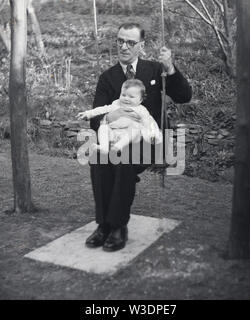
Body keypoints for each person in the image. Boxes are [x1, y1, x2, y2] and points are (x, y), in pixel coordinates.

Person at [85, 22, 192, 252]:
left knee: (123, 161)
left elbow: (184, 96)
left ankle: (117, 226)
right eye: (120, 41)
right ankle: (103, 224)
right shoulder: (107, 77)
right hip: (116, 138)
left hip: (149, 140)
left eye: (130, 42)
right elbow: (95, 116)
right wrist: (112, 120)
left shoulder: (155, 70)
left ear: (141, 45)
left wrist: (170, 68)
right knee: (98, 159)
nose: (124, 46)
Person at [76, 79, 162, 154]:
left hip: (130, 136)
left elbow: (149, 122)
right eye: (123, 95)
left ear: (140, 100)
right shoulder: (116, 104)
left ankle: (119, 146)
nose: (126, 99)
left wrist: (152, 135)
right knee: (103, 127)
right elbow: (103, 109)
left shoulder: (141, 110)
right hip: (114, 132)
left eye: (131, 97)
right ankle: (104, 147)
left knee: (136, 128)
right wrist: (88, 113)